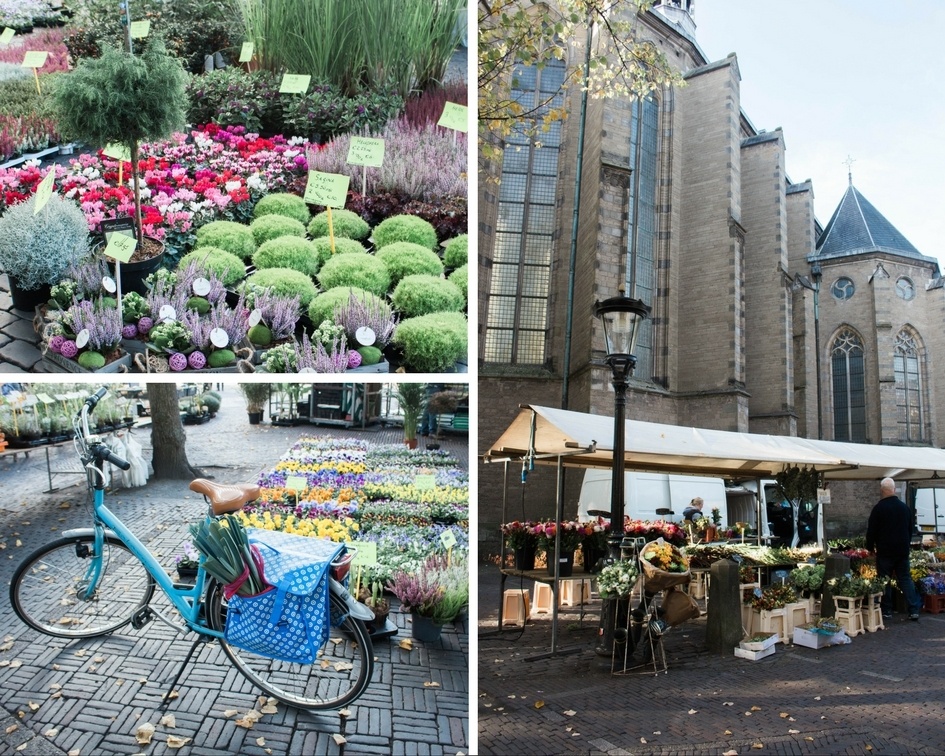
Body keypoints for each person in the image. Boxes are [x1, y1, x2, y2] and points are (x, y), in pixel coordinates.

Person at [866, 477, 922, 621]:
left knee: (885, 580)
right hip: (902, 550)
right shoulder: (904, 508)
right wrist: (906, 544)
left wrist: (870, 547)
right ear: (893, 489)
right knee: (905, 579)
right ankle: (913, 609)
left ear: (882, 490)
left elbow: (871, 530)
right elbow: (910, 529)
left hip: (885, 551)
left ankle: (887, 610)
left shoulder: (878, 508)